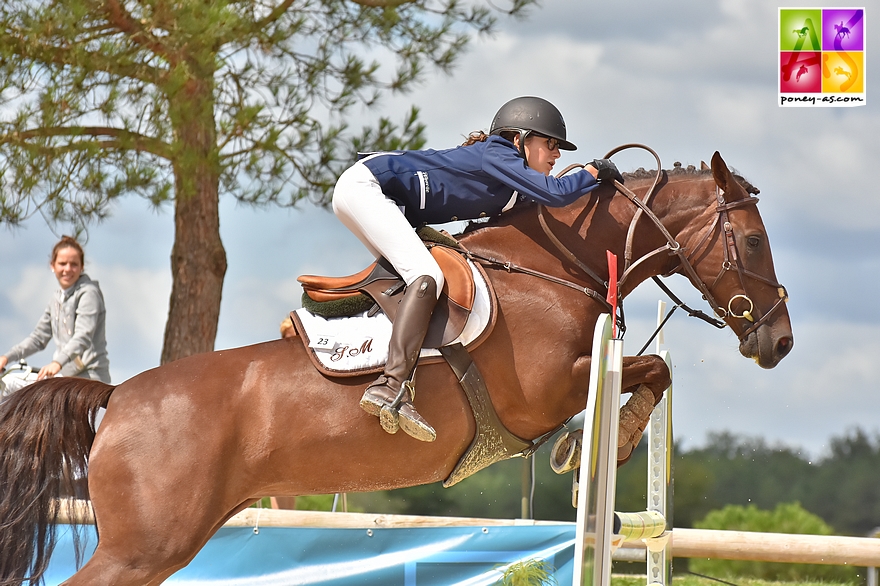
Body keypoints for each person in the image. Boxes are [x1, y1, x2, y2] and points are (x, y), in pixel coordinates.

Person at [331, 96, 622, 442]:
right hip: (368, 189)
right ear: (519, 138)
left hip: (377, 197)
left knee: (421, 277)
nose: (557, 155)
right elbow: (555, 194)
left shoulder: (509, 189)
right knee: (426, 277)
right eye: (550, 144)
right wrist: (592, 172)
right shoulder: (497, 152)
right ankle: (390, 385)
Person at [0, 236, 111, 392]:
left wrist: (57, 363)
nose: (67, 269)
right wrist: (6, 358)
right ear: (52, 265)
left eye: (74, 264)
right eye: (62, 263)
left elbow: (83, 337)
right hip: (66, 379)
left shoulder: (89, 294)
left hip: (90, 380)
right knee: (7, 383)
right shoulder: (56, 298)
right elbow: (38, 338)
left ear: (82, 267)